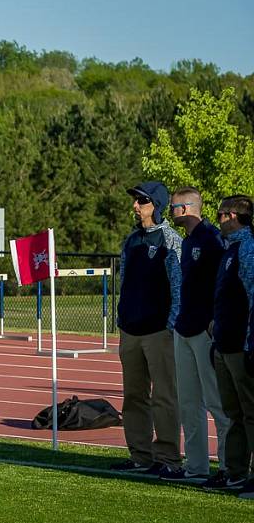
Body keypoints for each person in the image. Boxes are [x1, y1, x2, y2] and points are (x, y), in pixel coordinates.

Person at [112, 181, 183, 476]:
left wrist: (169, 326)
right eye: (135, 200)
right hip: (131, 330)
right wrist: (122, 319)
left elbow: (178, 289)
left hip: (158, 332)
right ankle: (140, 456)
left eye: (141, 201)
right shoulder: (131, 240)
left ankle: (168, 458)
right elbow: (126, 282)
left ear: (156, 204)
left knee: (164, 397)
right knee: (133, 396)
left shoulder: (171, 240)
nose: (135, 206)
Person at [166, 187, 229, 481]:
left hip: (204, 330)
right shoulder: (189, 241)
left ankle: (229, 466)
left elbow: (222, 284)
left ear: (187, 208)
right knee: (189, 403)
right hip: (184, 327)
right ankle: (196, 467)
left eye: (174, 206)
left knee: (217, 402)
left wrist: (213, 320)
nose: (171, 211)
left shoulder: (211, 239)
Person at [204, 195, 254, 497]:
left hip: (239, 344)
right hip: (224, 343)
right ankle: (235, 471)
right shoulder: (229, 249)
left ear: (233, 216)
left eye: (220, 214)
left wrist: (249, 341)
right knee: (234, 412)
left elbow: (252, 298)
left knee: (250, 412)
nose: (218, 219)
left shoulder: (247, 247)